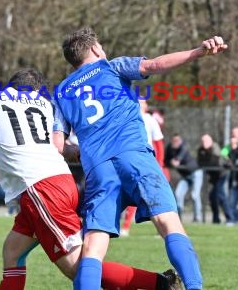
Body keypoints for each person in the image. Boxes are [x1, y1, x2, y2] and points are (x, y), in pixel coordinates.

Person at [0, 69, 182, 290]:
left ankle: (161, 284)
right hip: (59, 181)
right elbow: (43, 146)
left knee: (78, 269)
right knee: (12, 251)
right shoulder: (45, 104)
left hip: (40, 190)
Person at [52, 27, 227, 290]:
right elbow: (155, 65)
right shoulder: (111, 67)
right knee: (168, 223)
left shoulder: (61, 91)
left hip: (98, 170)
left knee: (93, 247)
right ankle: (193, 287)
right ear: (96, 49)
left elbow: (57, 145)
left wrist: (77, 151)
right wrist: (197, 52)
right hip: (133, 156)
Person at [120, 99, 165, 236]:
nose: (140, 104)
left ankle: (163, 228)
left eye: (142, 102)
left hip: (147, 161)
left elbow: (158, 143)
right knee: (131, 192)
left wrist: (160, 163)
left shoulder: (150, 120)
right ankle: (125, 226)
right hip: (130, 160)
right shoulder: (127, 116)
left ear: (146, 106)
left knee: (156, 196)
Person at [165, 134, 202, 223]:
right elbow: (166, 161)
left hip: (195, 173)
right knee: (178, 194)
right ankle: (179, 216)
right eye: (174, 141)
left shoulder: (183, 147)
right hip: (185, 176)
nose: (175, 142)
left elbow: (176, 162)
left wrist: (174, 161)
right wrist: (170, 161)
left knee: (195, 195)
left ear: (180, 141)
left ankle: (197, 218)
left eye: (177, 141)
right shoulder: (169, 148)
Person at [198, 134, 231, 225]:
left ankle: (230, 218)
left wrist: (207, 162)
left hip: (221, 175)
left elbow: (214, 162)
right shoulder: (201, 150)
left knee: (220, 195)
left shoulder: (215, 148)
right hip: (213, 177)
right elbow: (200, 162)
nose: (204, 143)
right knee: (213, 197)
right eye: (203, 141)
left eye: (206, 141)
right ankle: (216, 219)